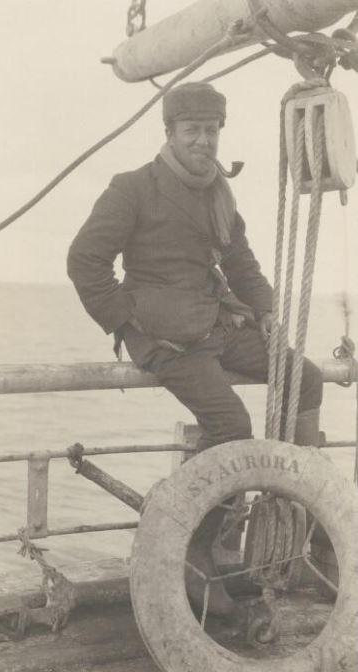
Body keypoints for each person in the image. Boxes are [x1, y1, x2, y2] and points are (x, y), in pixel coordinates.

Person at [67, 82, 323, 615]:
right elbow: (85, 261)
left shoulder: (218, 191)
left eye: (211, 131)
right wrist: (128, 325)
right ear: (170, 134)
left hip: (219, 323)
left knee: (309, 378)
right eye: (193, 132)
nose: (204, 142)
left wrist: (268, 312)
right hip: (168, 340)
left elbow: (242, 265)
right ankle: (198, 550)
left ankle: (304, 520)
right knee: (232, 426)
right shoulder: (132, 188)